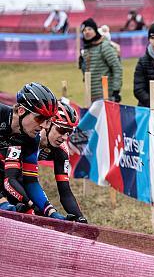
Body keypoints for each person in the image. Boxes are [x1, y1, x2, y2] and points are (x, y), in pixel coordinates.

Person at [0, 82, 64, 218]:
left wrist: (52, 213)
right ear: (21, 111)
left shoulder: (31, 138)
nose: (45, 126)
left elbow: (31, 181)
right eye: (40, 118)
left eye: (48, 120)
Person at [34, 101, 87, 222]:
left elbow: (65, 192)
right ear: (48, 124)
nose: (64, 137)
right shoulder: (30, 137)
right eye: (61, 130)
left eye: (69, 132)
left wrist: (81, 219)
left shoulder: (61, 149)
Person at [78, 18, 123, 103]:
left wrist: (116, 91)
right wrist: (82, 64)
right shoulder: (86, 50)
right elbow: (87, 74)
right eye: (84, 30)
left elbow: (117, 68)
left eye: (89, 29)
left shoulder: (104, 46)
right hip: (92, 95)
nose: (86, 32)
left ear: (95, 31)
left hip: (107, 95)